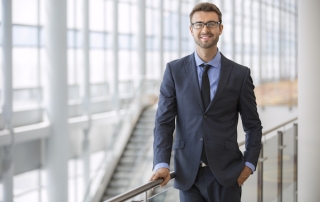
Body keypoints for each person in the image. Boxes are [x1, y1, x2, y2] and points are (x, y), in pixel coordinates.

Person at [150, 2, 262, 202]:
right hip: (187, 176)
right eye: (199, 24)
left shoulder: (240, 74)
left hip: (228, 176)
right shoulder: (174, 71)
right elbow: (164, 123)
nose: (205, 29)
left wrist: (249, 166)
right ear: (191, 29)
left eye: (211, 23)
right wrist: (161, 164)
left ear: (220, 28)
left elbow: (252, 125)